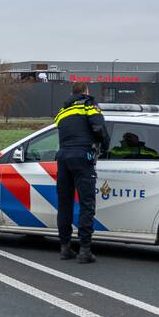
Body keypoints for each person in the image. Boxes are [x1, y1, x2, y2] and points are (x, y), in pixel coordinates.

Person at [54, 81, 109, 264]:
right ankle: (85, 250)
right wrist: (104, 146)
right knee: (86, 204)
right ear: (86, 91)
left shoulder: (63, 111)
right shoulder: (89, 105)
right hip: (82, 157)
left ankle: (65, 248)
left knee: (64, 204)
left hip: (63, 158)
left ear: (72, 92)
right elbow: (99, 128)